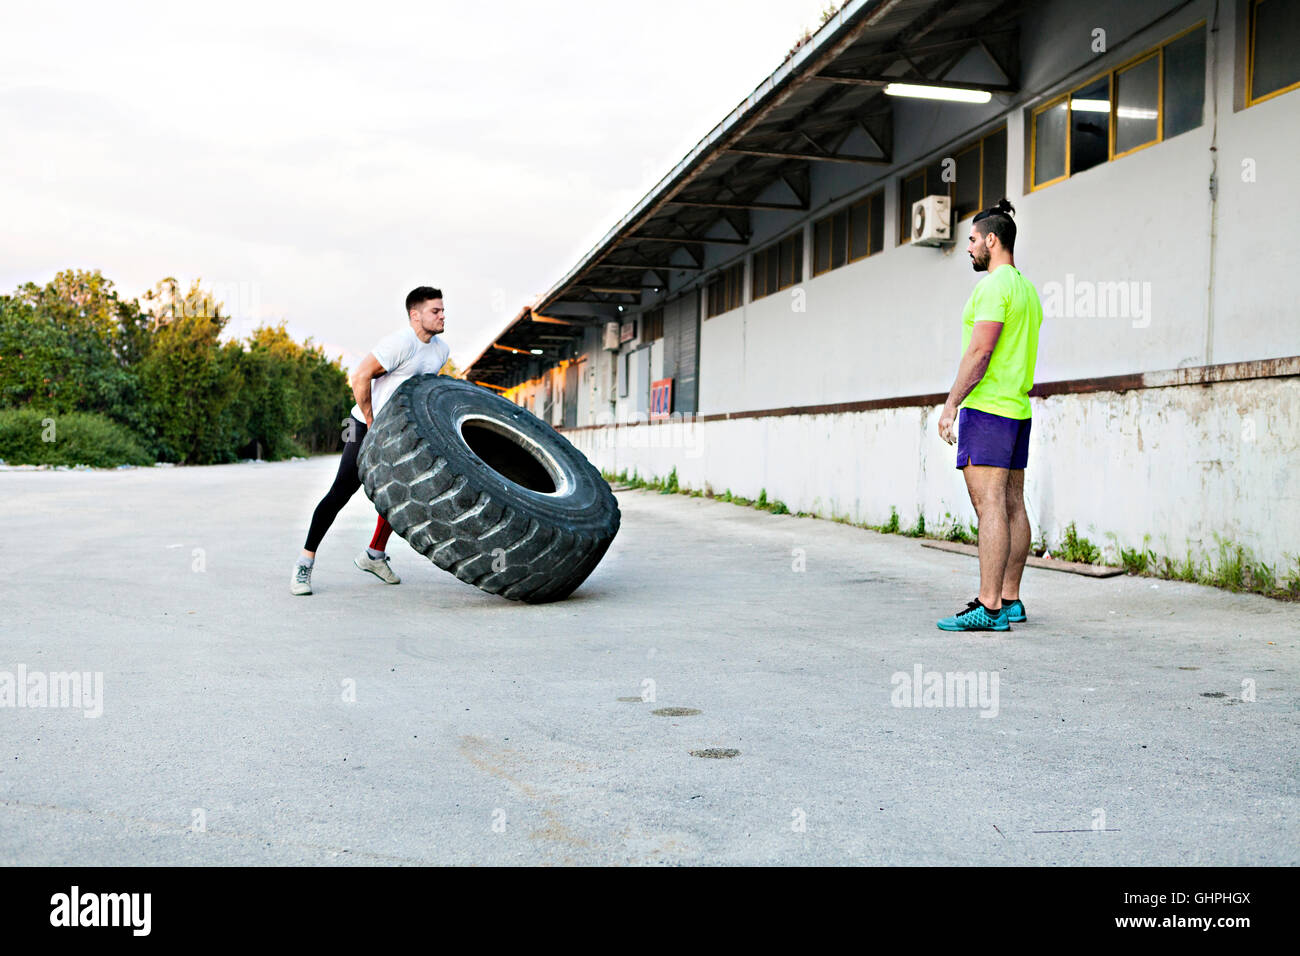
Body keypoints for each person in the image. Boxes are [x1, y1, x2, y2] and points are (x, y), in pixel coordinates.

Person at [291, 287, 450, 596]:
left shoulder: (441, 351)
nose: (443, 315)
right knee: (341, 491)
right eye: (436, 311)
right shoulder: (398, 344)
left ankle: (374, 556)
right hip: (361, 424)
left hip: (397, 430)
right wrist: (371, 420)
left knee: (399, 496)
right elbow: (360, 376)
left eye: (443, 310)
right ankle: (304, 564)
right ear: (415, 315)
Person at [935, 199, 1043, 632]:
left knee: (990, 507)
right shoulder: (1027, 291)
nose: (969, 248)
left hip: (989, 409)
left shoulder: (994, 287)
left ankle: (990, 606)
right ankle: (1011, 599)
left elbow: (981, 352)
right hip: (1017, 409)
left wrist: (951, 405)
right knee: (1013, 503)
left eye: (974, 239)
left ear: (992, 240)